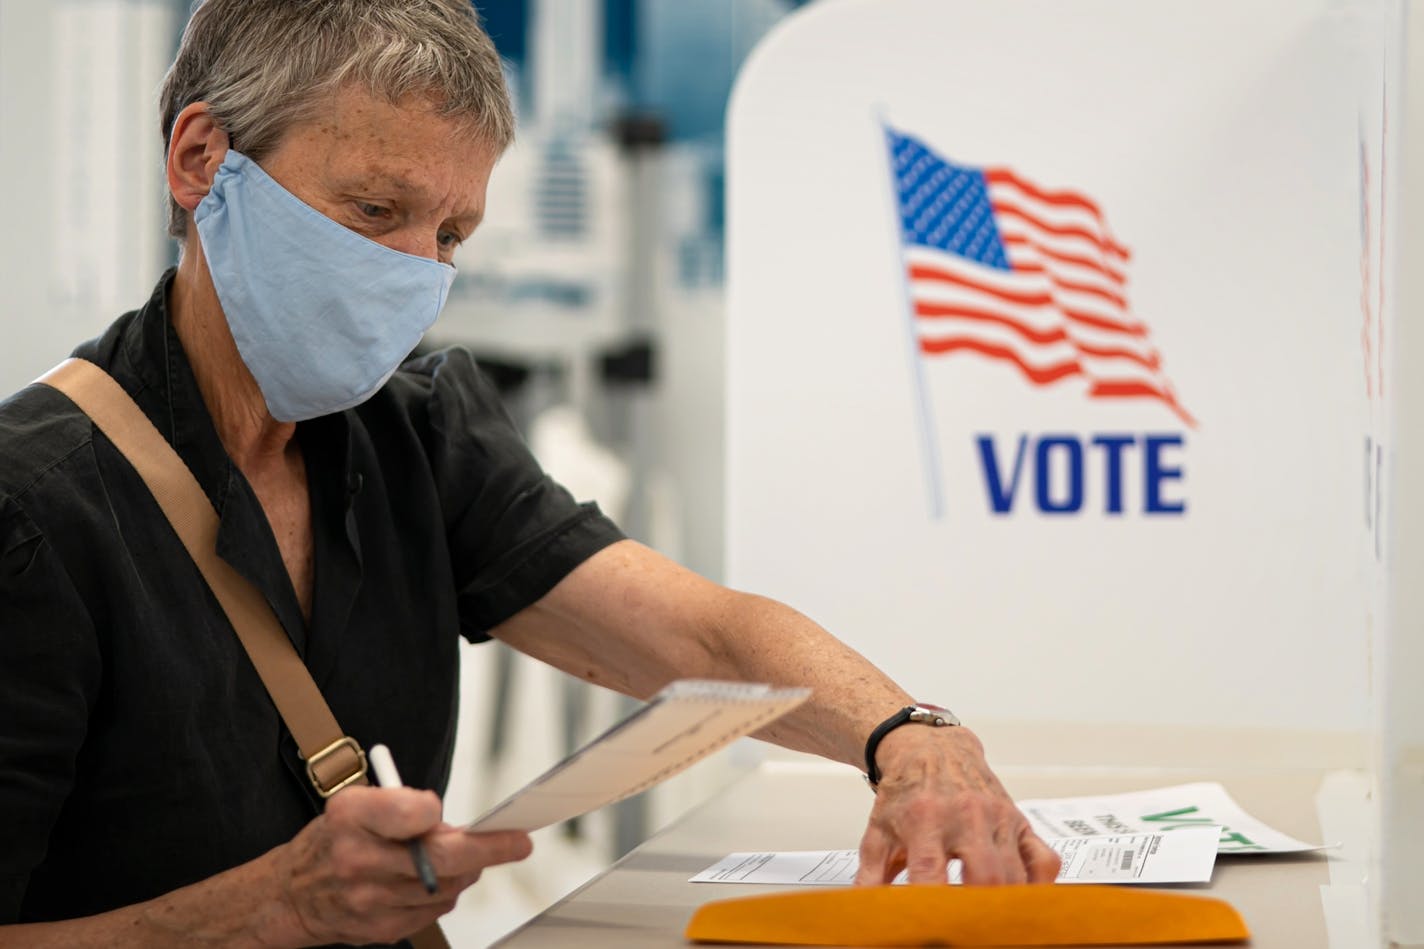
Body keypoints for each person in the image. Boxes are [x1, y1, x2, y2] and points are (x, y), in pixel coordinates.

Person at [0, 1, 1059, 945]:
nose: (415, 271)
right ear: (200, 158)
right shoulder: (35, 508)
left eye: (451, 232)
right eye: (375, 211)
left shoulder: (413, 432)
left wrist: (911, 739)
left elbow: (700, 637)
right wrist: (274, 909)